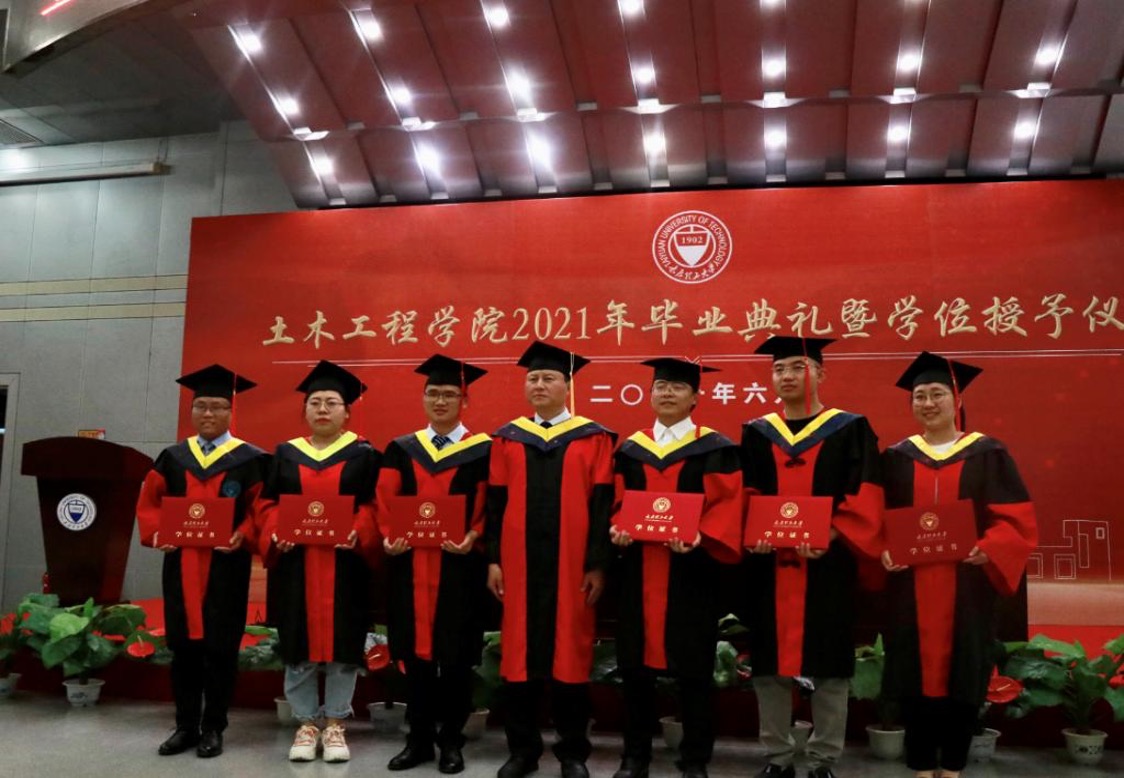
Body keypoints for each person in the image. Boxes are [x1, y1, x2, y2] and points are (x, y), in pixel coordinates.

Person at [880, 352, 1037, 778]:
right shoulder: (897, 457)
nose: (928, 403)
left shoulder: (988, 453)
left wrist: (991, 547)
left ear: (957, 400)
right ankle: (919, 764)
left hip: (968, 585)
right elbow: (880, 518)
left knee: (964, 672)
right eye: (919, 396)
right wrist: (885, 549)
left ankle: (952, 766)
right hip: (910, 588)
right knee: (912, 672)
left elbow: (1014, 518)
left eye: (937, 394)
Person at [739, 337, 883, 778]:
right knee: (768, 666)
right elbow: (746, 493)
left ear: (820, 373)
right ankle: (777, 757)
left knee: (830, 666)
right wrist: (752, 534)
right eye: (779, 368)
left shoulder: (850, 428)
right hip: (769, 567)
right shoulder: (757, 432)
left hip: (829, 564)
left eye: (798, 367)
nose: (787, 375)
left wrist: (832, 532)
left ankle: (823, 759)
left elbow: (866, 492)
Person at [484, 340, 615, 778]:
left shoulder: (594, 438)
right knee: (518, 658)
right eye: (533, 378)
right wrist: (493, 559)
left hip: (572, 567)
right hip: (518, 566)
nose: (539, 385)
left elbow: (602, 504)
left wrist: (597, 563)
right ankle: (522, 751)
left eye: (549, 378)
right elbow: (495, 504)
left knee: (570, 657)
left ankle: (573, 753)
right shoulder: (508, 439)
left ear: (567, 386)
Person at [609, 358, 744, 778]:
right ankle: (635, 757)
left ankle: (695, 759)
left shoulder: (716, 449)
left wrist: (702, 534)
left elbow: (729, 503)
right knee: (634, 671)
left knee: (694, 671)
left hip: (692, 573)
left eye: (677, 387)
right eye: (661, 386)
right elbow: (616, 500)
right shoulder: (630, 450)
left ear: (695, 398)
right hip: (637, 571)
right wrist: (617, 526)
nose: (667, 393)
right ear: (650, 395)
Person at [136, 364, 269, 759]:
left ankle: (213, 727)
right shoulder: (173, 458)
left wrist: (243, 533)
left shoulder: (249, 459)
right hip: (180, 565)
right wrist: (157, 533)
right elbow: (150, 504)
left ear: (231, 411)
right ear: (192, 411)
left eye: (217, 407)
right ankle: (185, 726)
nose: (208, 413)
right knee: (184, 648)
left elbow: (260, 508)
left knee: (221, 649)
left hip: (226, 567)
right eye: (201, 406)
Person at [258, 360, 380, 763]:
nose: (323, 409)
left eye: (331, 402)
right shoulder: (285, 454)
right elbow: (267, 504)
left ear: (347, 411)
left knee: (344, 646)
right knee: (299, 645)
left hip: (346, 566)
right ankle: (307, 723)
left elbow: (374, 505)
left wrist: (358, 530)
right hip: (297, 565)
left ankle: (336, 724)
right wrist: (276, 530)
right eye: (315, 402)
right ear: (305, 410)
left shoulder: (365, 455)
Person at [377, 355, 491, 774]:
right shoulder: (400, 449)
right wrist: (388, 536)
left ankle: (452, 742)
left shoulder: (483, 451)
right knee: (415, 658)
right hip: (409, 566)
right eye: (433, 393)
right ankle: (419, 740)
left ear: (464, 400)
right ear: (423, 398)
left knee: (457, 659)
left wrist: (474, 535)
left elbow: (491, 504)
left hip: (459, 569)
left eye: (449, 394)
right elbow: (384, 500)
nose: (440, 401)